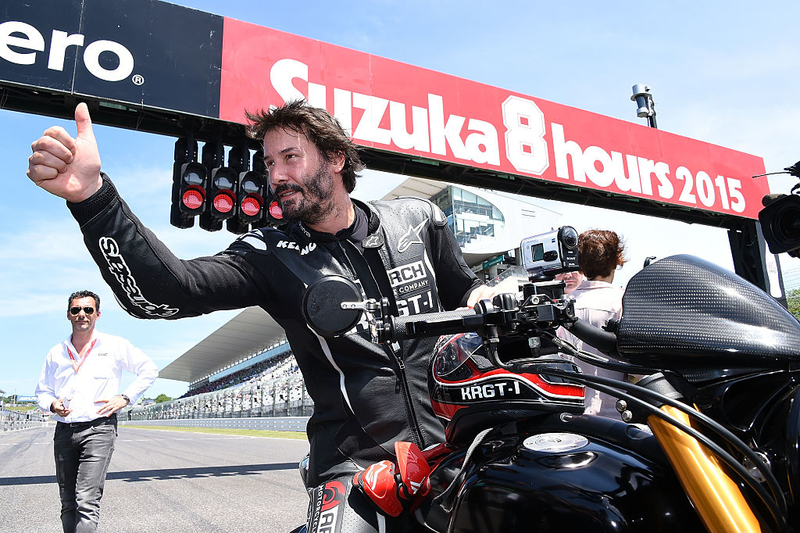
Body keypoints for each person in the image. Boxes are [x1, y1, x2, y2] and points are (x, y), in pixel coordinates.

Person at [28, 101, 501, 532]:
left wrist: (488, 295)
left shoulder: (418, 218)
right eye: (270, 163)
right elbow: (168, 293)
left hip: (456, 445)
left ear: (336, 159)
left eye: (289, 157)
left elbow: (466, 289)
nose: (275, 175)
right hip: (353, 466)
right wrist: (93, 199)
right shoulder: (269, 252)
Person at [35, 290, 158, 533]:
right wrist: (52, 404)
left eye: (88, 310)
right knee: (68, 502)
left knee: (86, 500)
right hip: (64, 431)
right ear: (68, 315)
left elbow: (149, 370)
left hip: (99, 429)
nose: (82, 314)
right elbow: (42, 391)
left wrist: (125, 397)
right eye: (76, 310)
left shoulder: (115, 345)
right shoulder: (56, 353)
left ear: (97, 314)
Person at [561, 229, 627, 418]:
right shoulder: (623, 301)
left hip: (572, 411)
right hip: (617, 414)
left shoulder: (563, 306)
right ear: (616, 261)